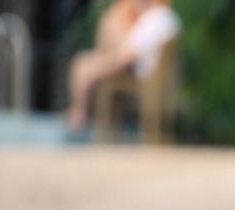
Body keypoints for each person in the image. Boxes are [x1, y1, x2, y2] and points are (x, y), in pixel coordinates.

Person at [66, 0, 180, 132]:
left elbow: (128, 56)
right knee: (84, 62)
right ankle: (79, 113)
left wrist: (99, 66)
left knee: (83, 66)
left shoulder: (155, 19)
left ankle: (79, 115)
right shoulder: (164, 18)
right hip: (143, 69)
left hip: (141, 73)